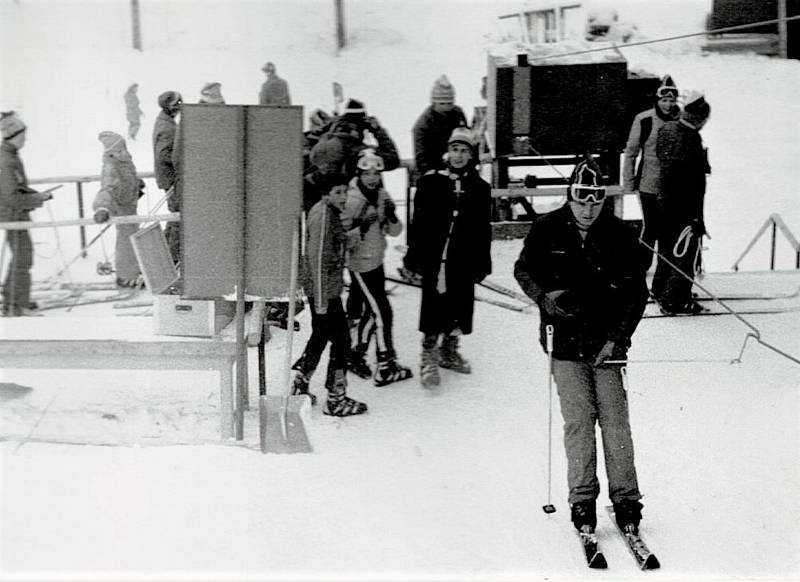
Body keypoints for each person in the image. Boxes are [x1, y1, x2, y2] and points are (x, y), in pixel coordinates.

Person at [513, 156, 649, 538]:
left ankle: (627, 501)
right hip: (565, 344)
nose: (588, 208)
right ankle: (582, 499)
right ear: (570, 196)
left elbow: (636, 293)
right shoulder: (546, 228)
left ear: (603, 199)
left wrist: (617, 338)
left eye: (595, 199)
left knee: (615, 423)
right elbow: (524, 269)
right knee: (578, 423)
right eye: (581, 199)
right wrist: (543, 297)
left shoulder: (621, 235)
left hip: (606, 343)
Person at [402, 127, 492, 387]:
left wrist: (482, 262)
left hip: (463, 259)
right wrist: (413, 257)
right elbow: (417, 223)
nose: (459, 155)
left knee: (460, 306)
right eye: (455, 149)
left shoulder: (479, 187)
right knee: (433, 307)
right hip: (435, 258)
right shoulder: (431, 182)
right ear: (447, 152)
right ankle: (428, 356)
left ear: (471, 155)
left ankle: (449, 350)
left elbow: (483, 229)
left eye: (464, 151)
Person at [292, 172, 368, 417]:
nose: (344, 196)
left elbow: (333, 245)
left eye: (345, 191)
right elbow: (317, 259)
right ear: (326, 194)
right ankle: (336, 398)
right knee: (343, 341)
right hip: (324, 292)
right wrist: (323, 301)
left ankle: (300, 384)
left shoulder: (327, 212)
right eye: (337, 192)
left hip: (324, 289)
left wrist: (352, 236)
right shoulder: (323, 216)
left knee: (321, 335)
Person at [340, 149, 413, 386]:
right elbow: (340, 242)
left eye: (375, 173)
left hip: (377, 260)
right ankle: (385, 365)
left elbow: (396, 232)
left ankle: (356, 352)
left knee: (373, 312)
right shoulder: (350, 201)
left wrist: (391, 217)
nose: (371, 178)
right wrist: (360, 227)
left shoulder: (381, 195)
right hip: (361, 265)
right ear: (358, 173)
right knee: (383, 312)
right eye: (367, 173)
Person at [652, 91, 712, 315]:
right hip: (684, 208)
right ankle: (675, 300)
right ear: (699, 118)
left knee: (667, 250)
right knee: (685, 255)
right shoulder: (691, 140)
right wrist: (697, 218)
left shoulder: (667, 128)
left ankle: (660, 290)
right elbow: (692, 184)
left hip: (663, 202)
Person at [621, 75, 681, 277]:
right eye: (664, 100)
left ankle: (664, 272)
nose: (668, 105)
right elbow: (631, 152)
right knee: (651, 228)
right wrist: (628, 183)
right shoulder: (644, 119)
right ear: (657, 100)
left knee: (670, 231)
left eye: (672, 101)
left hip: (673, 187)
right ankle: (641, 267)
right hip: (649, 184)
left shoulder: (681, 119)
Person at [0, 112, 53, 317]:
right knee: (22, 258)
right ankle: (15, 303)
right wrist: (37, 199)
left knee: (22, 257)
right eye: (23, 135)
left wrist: (37, 195)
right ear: (13, 136)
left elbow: (17, 188)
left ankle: (14, 299)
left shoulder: (10, 155)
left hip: (16, 214)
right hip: (12, 215)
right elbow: (10, 197)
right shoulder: (6, 161)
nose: (25, 139)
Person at [92, 131, 143, 289]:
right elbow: (107, 189)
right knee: (125, 242)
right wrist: (102, 207)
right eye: (119, 151)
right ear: (111, 153)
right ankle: (125, 276)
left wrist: (137, 184)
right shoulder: (111, 167)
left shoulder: (124, 162)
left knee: (131, 240)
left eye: (124, 149)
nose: (123, 153)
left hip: (129, 204)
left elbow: (126, 179)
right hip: (121, 207)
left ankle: (133, 272)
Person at [309, 98, 399, 179]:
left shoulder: (319, 145)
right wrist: (378, 130)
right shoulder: (360, 151)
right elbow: (392, 160)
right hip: (351, 195)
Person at [411, 75, 469, 178]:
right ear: (434, 102)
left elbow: (467, 140)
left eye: (450, 103)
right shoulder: (422, 126)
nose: (446, 107)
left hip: (459, 168)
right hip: (435, 171)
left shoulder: (458, 113)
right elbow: (421, 159)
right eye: (442, 103)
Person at [152, 90, 182, 264]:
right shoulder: (167, 127)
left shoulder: (165, 122)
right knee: (177, 218)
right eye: (177, 104)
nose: (179, 107)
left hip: (170, 178)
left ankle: (166, 257)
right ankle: (170, 259)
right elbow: (164, 155)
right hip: (172, 180)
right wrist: (181, 161)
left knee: (175, 217)